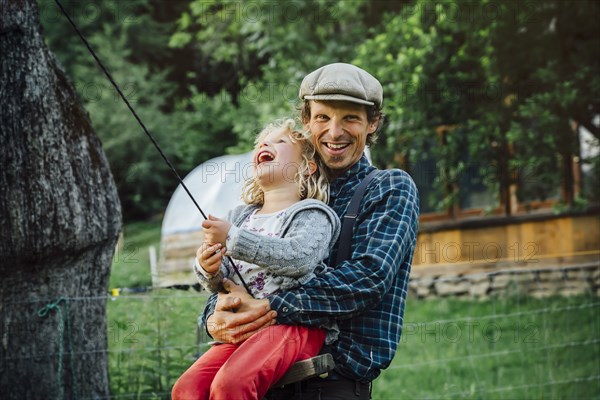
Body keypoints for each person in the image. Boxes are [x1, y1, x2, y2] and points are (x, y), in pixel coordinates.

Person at [200, 63, 420, 399]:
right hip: (256, 374)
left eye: (350, 118)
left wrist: (270, 306)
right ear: (307, 120)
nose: (334, 132)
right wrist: (214, 315)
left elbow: (367, 278)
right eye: (322, 117)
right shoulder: (275, 194)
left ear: (372, 122)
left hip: (329, 382)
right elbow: (246, 274)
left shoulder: (388, 188)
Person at [171, 119, 341, 400]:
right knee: (187, 389)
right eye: (261, 142)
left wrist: (233, 239)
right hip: (246, 327)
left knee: (231, 385)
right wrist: (208, 266)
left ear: (307, 166)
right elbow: (220, 278)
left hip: (294, 328)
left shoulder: (312, 213)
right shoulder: (240, 216)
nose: (265, 144)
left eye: (280, 142)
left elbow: (299, 258)